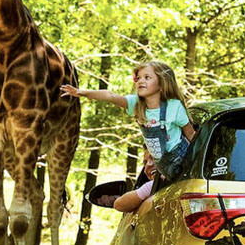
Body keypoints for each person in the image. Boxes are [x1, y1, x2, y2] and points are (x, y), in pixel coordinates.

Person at [61, 60, 195, 213]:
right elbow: (110, 96)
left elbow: (191, 135)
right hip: (164, 169)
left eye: (147, 77)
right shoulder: (136, 105)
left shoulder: (174, 106)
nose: (141, 81)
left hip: (183, 161)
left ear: (161, 84)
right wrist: (80, 92)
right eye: (138, 78)